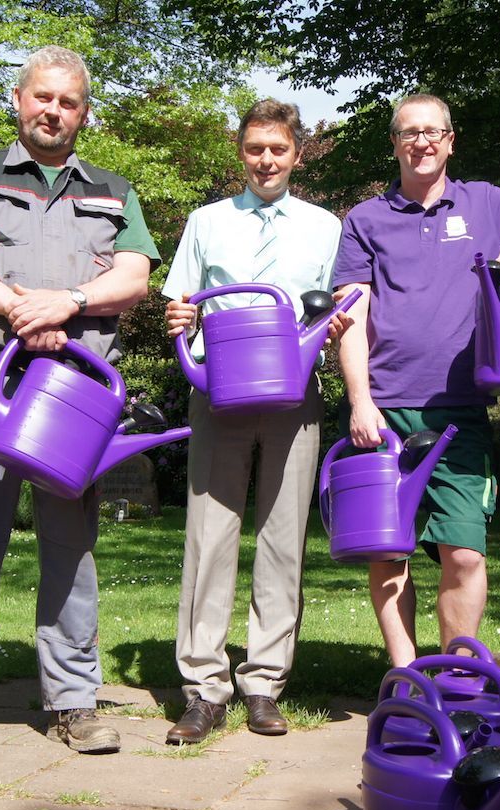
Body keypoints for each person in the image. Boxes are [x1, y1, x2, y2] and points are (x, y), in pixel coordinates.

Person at [0, 46, 161, 765]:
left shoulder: (114, 191)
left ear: (85, 112)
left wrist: (73, 301)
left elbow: (135, 275)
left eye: (70, 102)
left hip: (73, 393)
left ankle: (74, 703)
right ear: (19, 101)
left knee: (70, 542)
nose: (54, 111)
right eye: (42, 98)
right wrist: (24, 307)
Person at [333, 93, 500, 667]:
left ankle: (452, 672)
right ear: (395, 144)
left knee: (466, 552)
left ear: (451, 140)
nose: (421, 142)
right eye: (409, 133)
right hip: (386, 407)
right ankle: (404, 674)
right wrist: (360, 400)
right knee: (388, 551)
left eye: (432, 132)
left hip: (461, 411)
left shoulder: (484, 203)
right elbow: (349, 315)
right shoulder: (364, 220)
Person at [162, 100, 345, 741]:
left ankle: (265, 682)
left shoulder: (326, 228)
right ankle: (204, 687)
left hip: (293, 394)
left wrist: (336, 323)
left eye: (278, 149)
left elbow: (337, 304)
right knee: (210, 536)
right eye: (254, 149)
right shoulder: (206, 222)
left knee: (283, 536)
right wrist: (180, 320)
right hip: (219, 389)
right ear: (240, 154)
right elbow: (179, 299)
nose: (266, 160)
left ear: (297, 154)